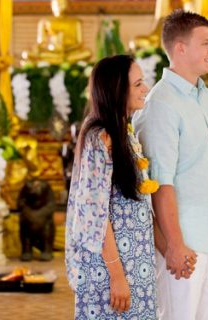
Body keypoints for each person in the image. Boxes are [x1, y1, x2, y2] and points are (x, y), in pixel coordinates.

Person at [133, 9, 208, 319]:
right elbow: (160, 182)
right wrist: (173, 244)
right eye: (206, 43)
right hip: (183, 245)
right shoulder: (160, 104)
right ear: (180, 48)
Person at [65, 54, 158, 319]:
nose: (146, 89)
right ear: (118, 90)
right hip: (109, 270)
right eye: (138, 84)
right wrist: (117, 275)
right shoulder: (101, 137)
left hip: (135, 262)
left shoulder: (124, 131)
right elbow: (95, 213)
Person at [21, 0, 92, 64]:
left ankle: (61, 59)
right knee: (26, 54)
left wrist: (65, 50)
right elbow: (41, 42)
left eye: (63, 3)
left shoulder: (75, 21)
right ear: (52, 5)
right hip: (52, 52)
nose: (60, 6)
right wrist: (37, 48)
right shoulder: (45, 21)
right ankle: (61, 60)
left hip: (69, 52)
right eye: (57, 3)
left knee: (87, 53)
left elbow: (80, 43)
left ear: (67, 5)